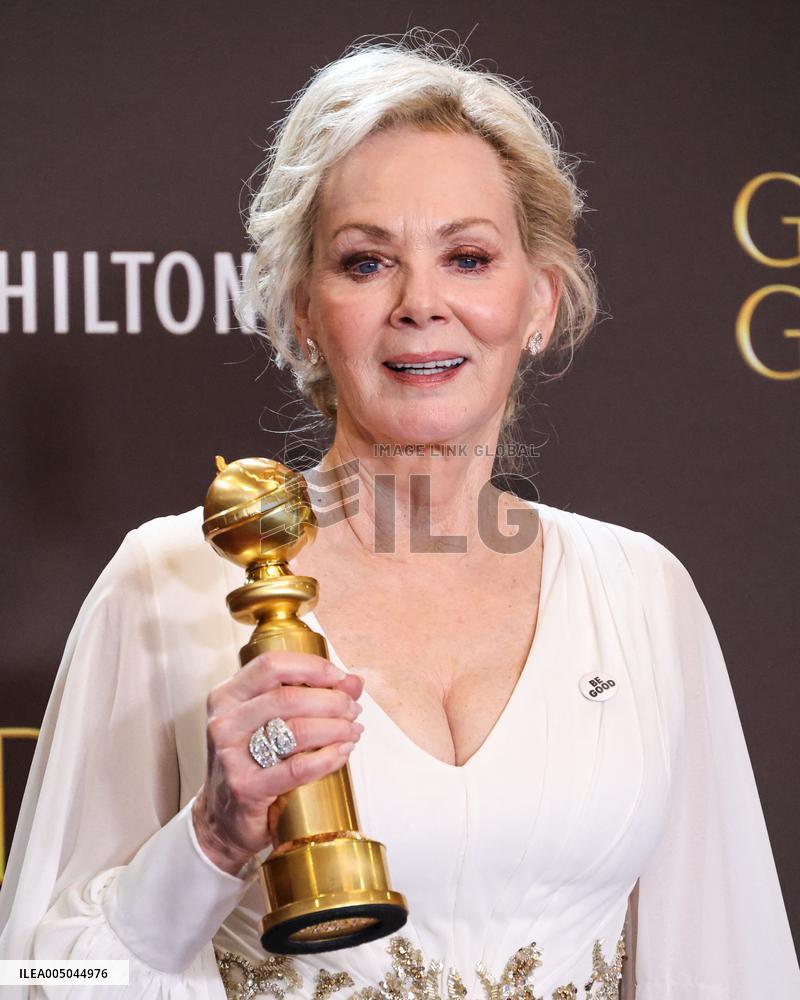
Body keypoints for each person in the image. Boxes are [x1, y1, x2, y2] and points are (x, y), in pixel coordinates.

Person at [1, 30, 798, 1000]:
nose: (421, 303)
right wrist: (207, 842)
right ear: (300, 308)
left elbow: (732, 973)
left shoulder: (642, 596)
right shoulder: (165, 584)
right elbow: (30, 975)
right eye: (365, 261)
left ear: (538, 300)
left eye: (466, 256)